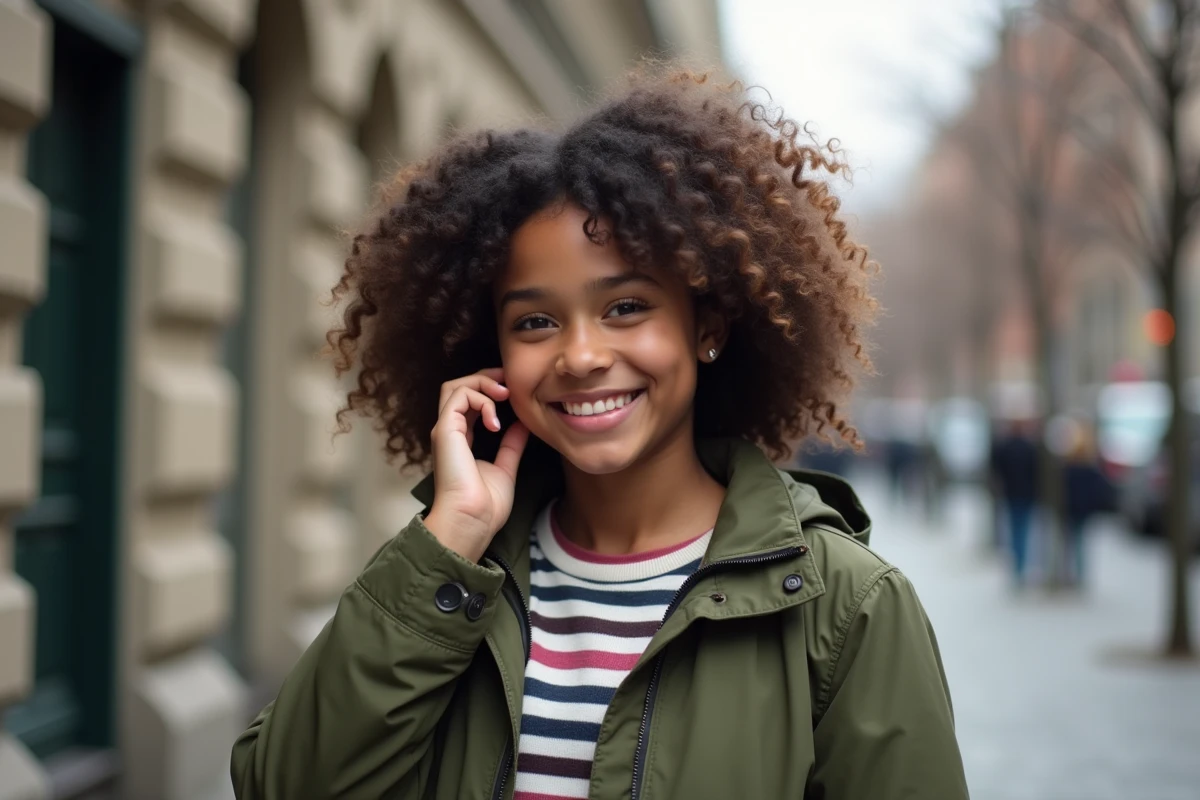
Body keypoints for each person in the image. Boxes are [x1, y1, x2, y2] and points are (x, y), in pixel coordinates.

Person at [230, 69, 968, 800]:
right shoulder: (446, 577)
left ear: (706, 327)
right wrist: (449, 540)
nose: (580, 356)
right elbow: (282, 786)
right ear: (492, 351)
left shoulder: (846, 606)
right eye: (535, 321)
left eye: (625, 307)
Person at [989, 417, 1041, 585]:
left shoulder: (1005, 446)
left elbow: (997, 469)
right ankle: (1021, 564)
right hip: (1026, 494)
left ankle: (1017, 566)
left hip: (1011, 494)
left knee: (1014, 530)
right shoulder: (1029, 448)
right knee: (1023, 530)